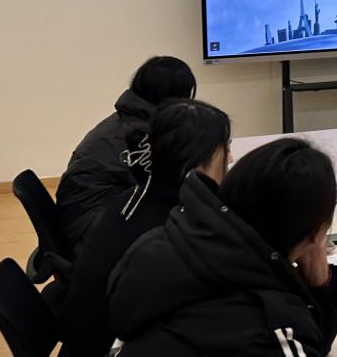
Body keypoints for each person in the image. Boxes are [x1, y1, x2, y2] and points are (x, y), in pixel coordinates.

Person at [107, 138, 337, 356]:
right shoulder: (271, 326)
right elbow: (305, 343)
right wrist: (316, 248)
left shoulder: (158, 245)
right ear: (315, 231)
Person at [59, 99, 232, 357]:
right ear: (196, 162)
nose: (230, 159)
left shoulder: (134, 198)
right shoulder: (174, 229)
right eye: (225, 149)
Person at [56, 56, 197, 256]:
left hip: (85, 222)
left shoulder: (128, 121)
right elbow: (167, 190)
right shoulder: (141, 135)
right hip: (93, 239)